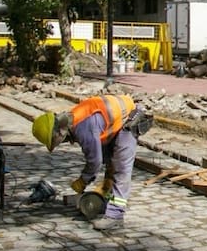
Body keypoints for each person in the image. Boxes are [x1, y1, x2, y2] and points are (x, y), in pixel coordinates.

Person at [31, 94, 151, 230]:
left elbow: (95, 162)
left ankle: (115, 216)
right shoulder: (73, 120)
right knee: (110, 162)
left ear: (58, 134)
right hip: (115, 121)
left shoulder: (82, 128)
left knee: (121, 169)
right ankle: (105, 200)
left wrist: (83, 180)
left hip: (128, 119)